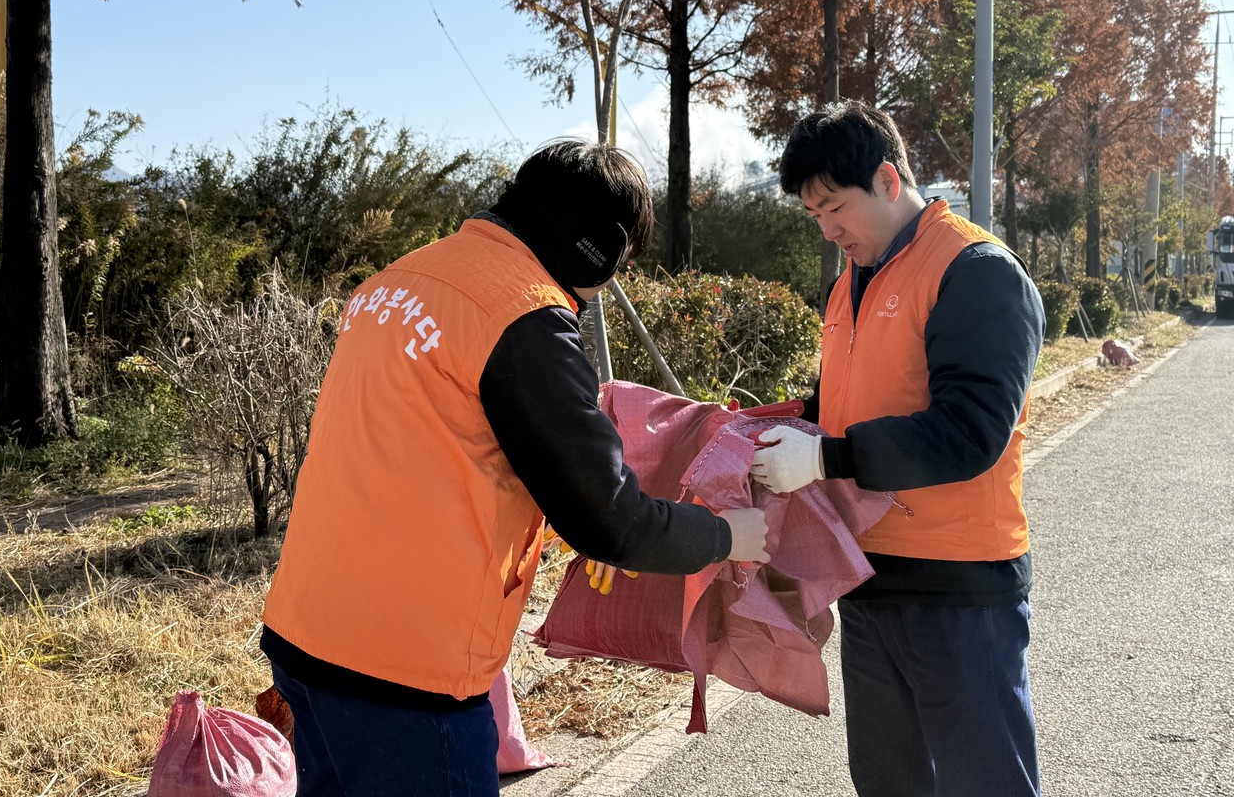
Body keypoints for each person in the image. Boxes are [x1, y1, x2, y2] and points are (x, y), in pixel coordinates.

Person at [261, 138, 770, 797]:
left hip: (305, 634)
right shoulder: (523, 316)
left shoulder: (399, 280)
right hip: (409, 678)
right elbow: (610, 521)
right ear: (602, 249)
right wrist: (726, 535)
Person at [748, 100, 1044, 797]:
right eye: (813, 216)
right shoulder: (847, 284)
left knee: (983, 784)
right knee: (889, 782)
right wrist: (774, 433)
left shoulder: (975, 272)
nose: (827, 230)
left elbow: (971, 432)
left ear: (887, 180)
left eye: (834, 208)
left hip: (959, 589)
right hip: (870, 579)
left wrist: (826, 459)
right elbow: (838, 407)